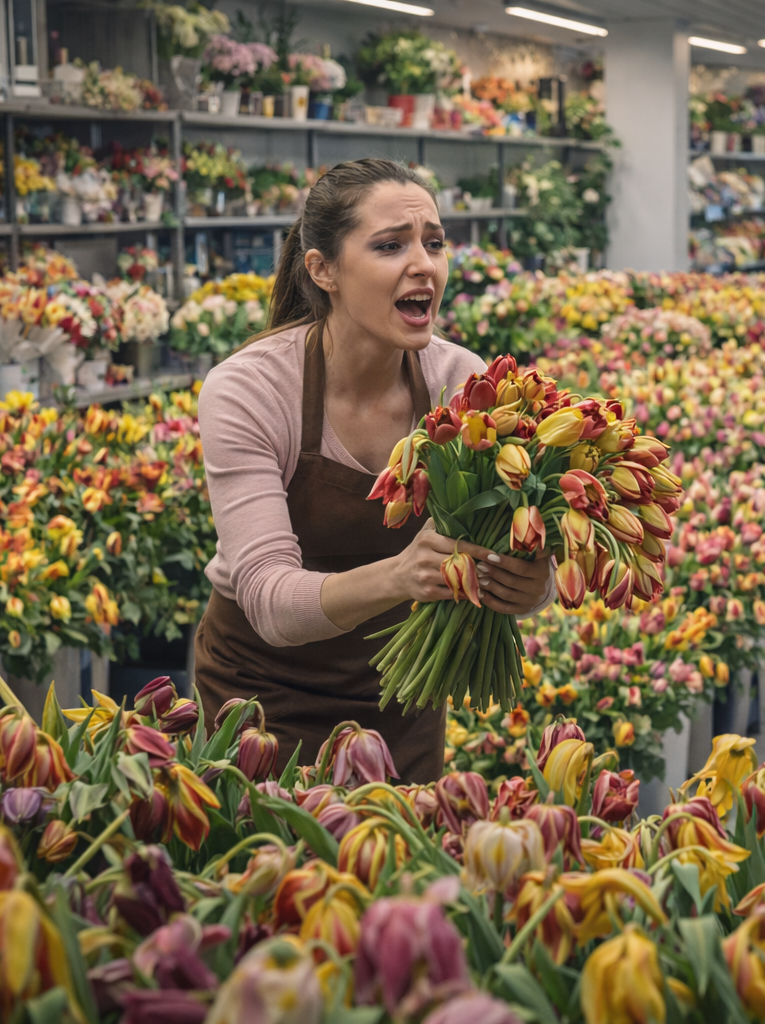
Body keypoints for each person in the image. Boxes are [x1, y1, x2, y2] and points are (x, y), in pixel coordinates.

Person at [194, 158, 553, 781]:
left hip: (401, 698)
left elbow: (502, 548)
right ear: (323, 270)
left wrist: (527, 585)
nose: (424, 265)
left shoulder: (462, 383)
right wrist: (401, 575)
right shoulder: (252, 389)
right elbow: (270, 601)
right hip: (258, 704)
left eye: (434, 243)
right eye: (390, 245)